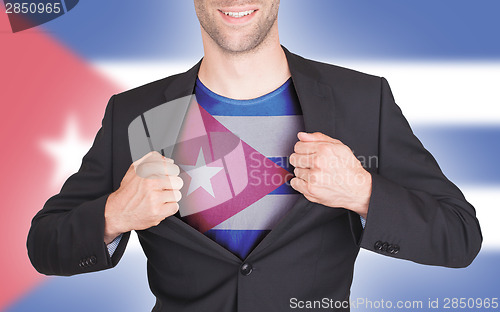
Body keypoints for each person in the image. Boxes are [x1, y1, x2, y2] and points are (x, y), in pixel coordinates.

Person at [27, 1, 482, 311]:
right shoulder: (135, 113)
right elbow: (45, 246)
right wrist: (114, 214)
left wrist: (363, 192)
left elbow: (460, 236)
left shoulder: (363, 100)